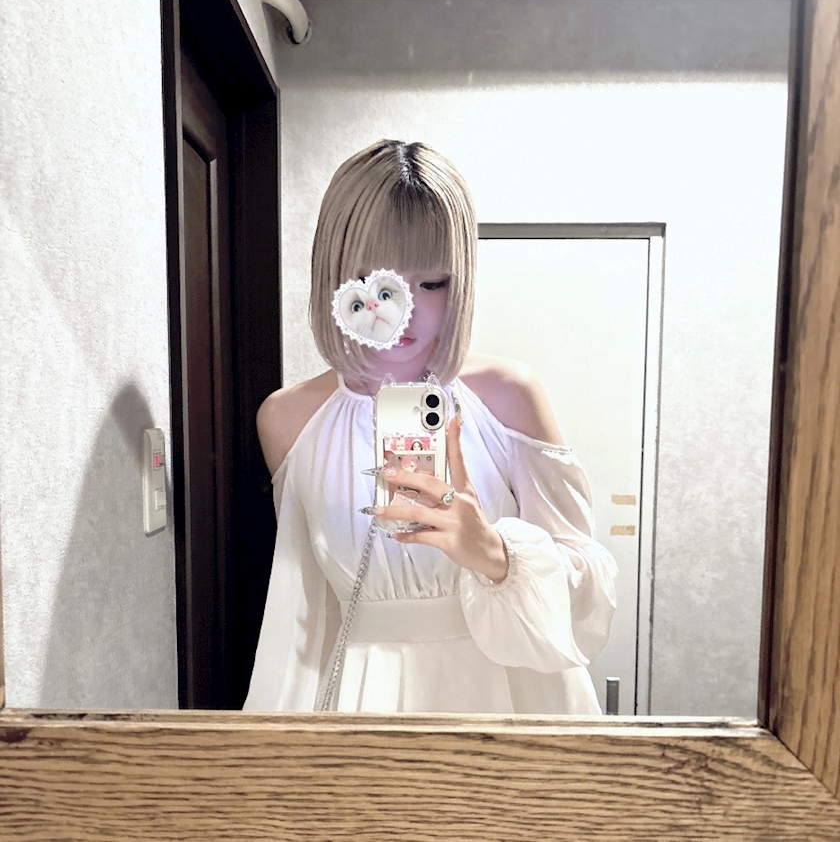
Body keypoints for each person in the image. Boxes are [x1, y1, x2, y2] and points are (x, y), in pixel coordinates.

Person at [243, 140, 617, 714]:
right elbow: (307, 603)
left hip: (507, 691)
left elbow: (591, 592)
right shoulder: (289, 419)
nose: (405, 310)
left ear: (459, 281)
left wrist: (494, 553)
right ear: (334, 279)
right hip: (358, 696)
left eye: (432, 283)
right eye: (376, 281)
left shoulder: (507, 395)